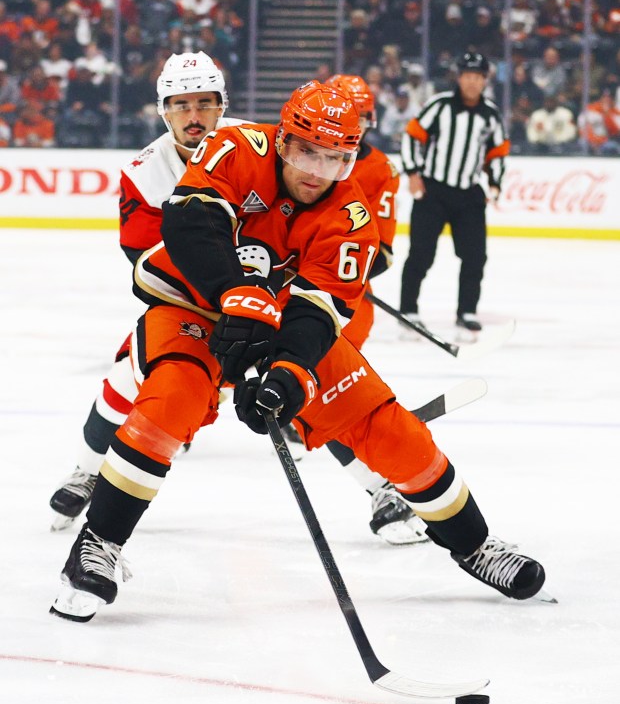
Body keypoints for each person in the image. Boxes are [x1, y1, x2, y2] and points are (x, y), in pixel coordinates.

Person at [50, 80, 546, 623]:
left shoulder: (351, 218)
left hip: (282, 317)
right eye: (308, 151)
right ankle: (96, 546)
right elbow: (190, 222)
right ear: (283, 140)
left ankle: (475, 544)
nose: (318, 170)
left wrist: (287, 376)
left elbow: (317, 316)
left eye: (336, 158)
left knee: (389, 429)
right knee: (170, 403)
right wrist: (231, 294)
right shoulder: (237, 148)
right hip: (194, 304)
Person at [49, 51, 244, 531]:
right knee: (126, 377)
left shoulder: (256, 147)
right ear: (163, 111)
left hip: (262, 297)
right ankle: (87, 472)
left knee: (313, 376)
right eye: (181, 105)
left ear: (223, 104)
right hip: (185, 302)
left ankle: (381, 486)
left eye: (205, 102)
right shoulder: (144, 172)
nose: (194, 116)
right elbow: (146, 262)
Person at [324, 73, 427, 546]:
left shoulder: (379, 168)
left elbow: (381, 251)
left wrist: (337, 267)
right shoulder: (296, 156)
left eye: (364, 116)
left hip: (340, 300)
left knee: (325, 395)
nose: (359, 124)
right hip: (269, 294)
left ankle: (381, 489)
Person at [399, 51, 509, 334]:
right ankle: (408, 309)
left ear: (485, 80)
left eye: (478, 77)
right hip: (432, 190)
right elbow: (412, 136)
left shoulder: (490, 115)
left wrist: (495, 182)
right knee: (421, 254)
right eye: (467, 76)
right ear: (459, 78)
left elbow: (497, 153)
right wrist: (413, 173)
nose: (472, 82)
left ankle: (467, 311)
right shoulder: (439, 106)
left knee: (475, 256)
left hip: (469, 195)